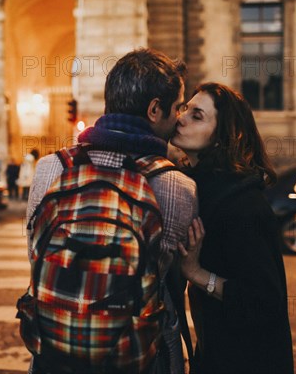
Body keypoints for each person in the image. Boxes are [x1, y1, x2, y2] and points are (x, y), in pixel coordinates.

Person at [25, 48, 197, 373]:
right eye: (177, 107)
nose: (179, 118)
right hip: (136, 353)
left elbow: (35, 252)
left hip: (55, 347)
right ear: (155, 109)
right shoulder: (176, 184)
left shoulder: (51, 168)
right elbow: (163, 276)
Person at [171, 83, 294, 373]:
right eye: (185, 108)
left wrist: (196, 274)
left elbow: (264, 301)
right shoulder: (204, 188)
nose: (181, 117)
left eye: (197, 116)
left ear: (221, 138)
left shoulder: (242, 204)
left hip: (250, 360)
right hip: (217, 352)